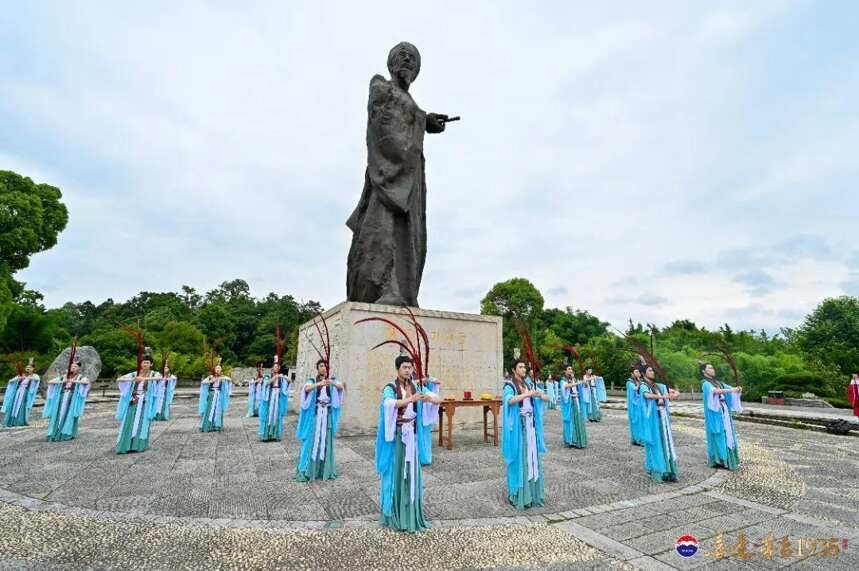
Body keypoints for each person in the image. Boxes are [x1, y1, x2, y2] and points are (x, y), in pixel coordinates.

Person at [375, 355, 442, 532]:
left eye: (410, 367)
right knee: (397, 473)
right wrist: (409, 400)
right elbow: (388, 403)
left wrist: (429, 399)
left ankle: (411, 512)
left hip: (412, 435)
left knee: (413, 473)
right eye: (404, 367)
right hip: (398, 436)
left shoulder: (416, 386)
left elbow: (437, 399)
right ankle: (395, 513)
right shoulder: (390, 387)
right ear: (397, 369)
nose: (407, 370)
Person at [502, 359, 549, 509]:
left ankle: (533, 495)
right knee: (520, 457)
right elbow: (509, 401)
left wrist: (540, 395)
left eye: (524, 367)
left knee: (532, 459)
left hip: (531, 426)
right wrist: (527, 395)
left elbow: (544, 397)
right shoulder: (510, 385)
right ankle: (518, 494)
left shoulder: (528, 384)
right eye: (520, 367)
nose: (523, 369)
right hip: (519, 426)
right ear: (514, 370)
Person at [296, 359, 345, 481]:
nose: (323, 368)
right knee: (311, 441)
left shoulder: (332, 380)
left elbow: (341, 387)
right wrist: (319, 384)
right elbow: (306, 389)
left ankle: (324, 470)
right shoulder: (312, 381)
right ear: (317, 368)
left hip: (326, 416)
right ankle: (306, 470)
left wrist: (331, 383)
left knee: (326, 441)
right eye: (321, 366)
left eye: (325, 366)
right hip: (316, 416)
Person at [639, 366, 680, 482]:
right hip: (653, 419)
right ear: (643, 373)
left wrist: (675, 393)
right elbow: (646, 395)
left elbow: (673, 392)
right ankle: (658, 471)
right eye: (650, 371)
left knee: (666, 443)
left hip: (663, 418)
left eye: (653, 370)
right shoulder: (643, 386)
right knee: (656, 443)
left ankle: (669, 471)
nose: (653, 372)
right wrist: (662, 396)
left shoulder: (659, 386)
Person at [115, 350, 160, 454]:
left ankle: (138, 446)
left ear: (151, 364)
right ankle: (125, 445)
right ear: (140, 363)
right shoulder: (134, 373)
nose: (145, 364)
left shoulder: (154, 373)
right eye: (144, 362)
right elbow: (119, 379)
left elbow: (159, 378)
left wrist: (145, 378)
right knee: (129, 421)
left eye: (148, 363)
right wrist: (133, 379)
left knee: (142, 422)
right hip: (133, 401)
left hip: (145, 401)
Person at [701, 363, 743, 470]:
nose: (713, 369)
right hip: (715, 413)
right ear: (703, 371)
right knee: (718, 434)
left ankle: (728, 459)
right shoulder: (706, 384)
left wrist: (737, 389)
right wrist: (731, 390)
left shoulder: (718, 382)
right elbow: (714, 391)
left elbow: (729, 389)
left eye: (713, 367)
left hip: (724, 411)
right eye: (710, 368)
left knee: (727, 433)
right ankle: (719, 459)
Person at [43, 357, 91, 441]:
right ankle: (55, 431)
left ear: (79, 368)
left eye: (75, 367)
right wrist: (62, 381)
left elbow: (86, 382)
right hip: (62, 396)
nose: (72, 368)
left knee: (69, 414)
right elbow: (50, 382)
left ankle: (67, 432)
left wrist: (74, 381)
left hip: (71, 398)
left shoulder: (80, 377)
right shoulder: (64, 376)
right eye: (71, 367)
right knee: (58, 413)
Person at [258, 357, 291, 442]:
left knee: (277, 415)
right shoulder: (268, 376)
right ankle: (266, 435)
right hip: (270, 397)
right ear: (272, 368)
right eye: (274, 367)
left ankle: (275, 435)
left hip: (277, 398)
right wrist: (275, 377)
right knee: (268, 415)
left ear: (279, 368)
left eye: (277, 367)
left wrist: (284, 377)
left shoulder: (281, 376)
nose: (276, 368)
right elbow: (267, 383)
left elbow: (289, 381)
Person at [2, 358, 40, 427]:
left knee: (22, 406)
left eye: (30, 368)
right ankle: (12, 421)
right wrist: (18, 379)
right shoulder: (22, 375)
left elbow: (37, 379)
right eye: (27, 367)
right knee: (15, 405)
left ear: (33, 369)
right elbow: (10, 381)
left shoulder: (34, 376)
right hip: (18, 392)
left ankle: (20, 421)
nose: (28, 369)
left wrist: (29, 377)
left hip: (25, 393)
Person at [559, 364, 587, 449]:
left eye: (571, 369)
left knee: (576, 420)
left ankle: (576, 439)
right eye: (568, 369)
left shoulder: (573, 379)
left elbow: (579, 387)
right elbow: (566, 386)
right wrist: (577, 382)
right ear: (565, 371)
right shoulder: (563, 380)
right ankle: (569, 440)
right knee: (569, 421)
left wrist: (578, 382)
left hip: (576, 400)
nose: (570, 370)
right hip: (569, 402)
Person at [199, 360, 231, 432]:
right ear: (214, 369)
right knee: (210, 409)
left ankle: (216, 425)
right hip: (212, 394)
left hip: (219, 395)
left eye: (219, 368)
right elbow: (203, 382)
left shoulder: (222, 377)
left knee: (218, 410)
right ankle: (208, 426)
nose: (218, 369)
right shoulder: (211, 376)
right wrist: (210, 381)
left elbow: (230, 380)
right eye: (217, 368)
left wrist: (224, 378)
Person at [626, 366, 645, 446]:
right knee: (635, 421)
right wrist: (640, 384)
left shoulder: (640, 381)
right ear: (632, 373)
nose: (638, 373)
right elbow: (635, 389)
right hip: (634, 405)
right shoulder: (629, 382)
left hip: (640, 404)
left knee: (641, 421)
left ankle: (639, 438)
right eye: (636, 372)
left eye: (638, 372)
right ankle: (637, 440)